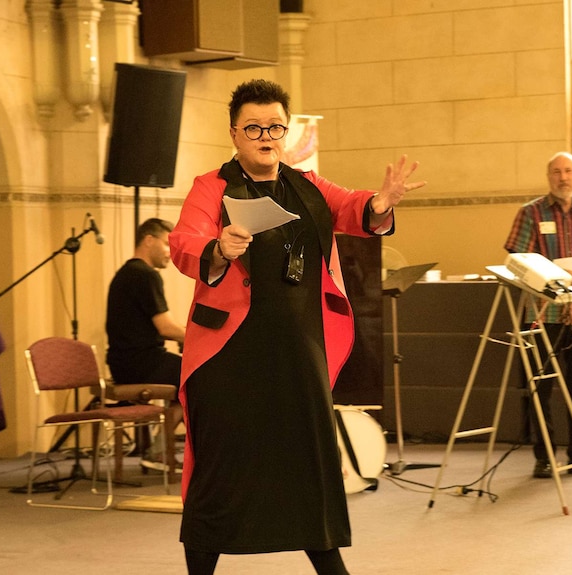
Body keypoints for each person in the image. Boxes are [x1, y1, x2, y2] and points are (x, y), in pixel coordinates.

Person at [169, 79, 424, 575]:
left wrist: (381, 202)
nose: (266, 136)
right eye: (254, 128)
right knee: (222, 473)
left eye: (275, 127)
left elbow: (354, 207)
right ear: (235, 134)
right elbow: (184, 242)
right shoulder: (211, 187)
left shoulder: (306, 185)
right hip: (230, 357)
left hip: (297, 350)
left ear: (285, 131)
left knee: (310, 470)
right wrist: (219, 248)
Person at [505, 151, 572, 478]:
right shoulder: (530, 213)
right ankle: (545, 456)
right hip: (542, 312)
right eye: (556, 172)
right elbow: (519, 261)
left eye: (568, 171)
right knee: (541, 388)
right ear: (548, 176)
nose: (563, 177)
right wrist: (561, 288)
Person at [106, 217, 186, 469]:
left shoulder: (126, 273)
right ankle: (159, 451)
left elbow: (143, 328)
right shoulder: (145, 275)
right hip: (142, 362)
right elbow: (165, 327)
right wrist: (199, 337)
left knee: (192, 376)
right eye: (166, 244)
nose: (171, 253)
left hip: (124, 362)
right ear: (148, 240)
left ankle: (159, 448)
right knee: (201, 377)